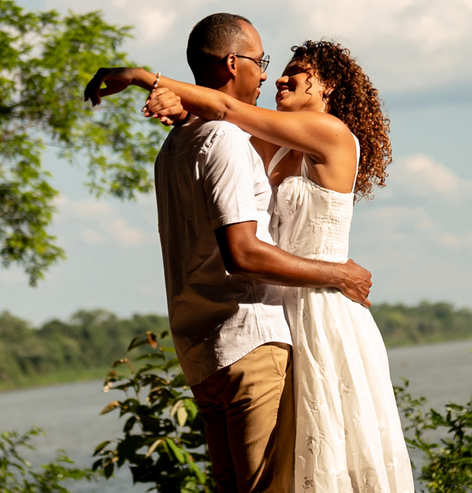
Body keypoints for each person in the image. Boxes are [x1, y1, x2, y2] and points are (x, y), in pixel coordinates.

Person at [85, 28, 414, 492]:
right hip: (280, 308)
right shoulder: (269, 144)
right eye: (274, 70)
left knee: (336, 448)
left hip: (324, 303)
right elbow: (220, 123)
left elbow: (226, 109)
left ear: (329, 86)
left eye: (297, 72)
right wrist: (183, 108)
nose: (277, 79)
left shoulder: (331, 133)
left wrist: (144, 77)